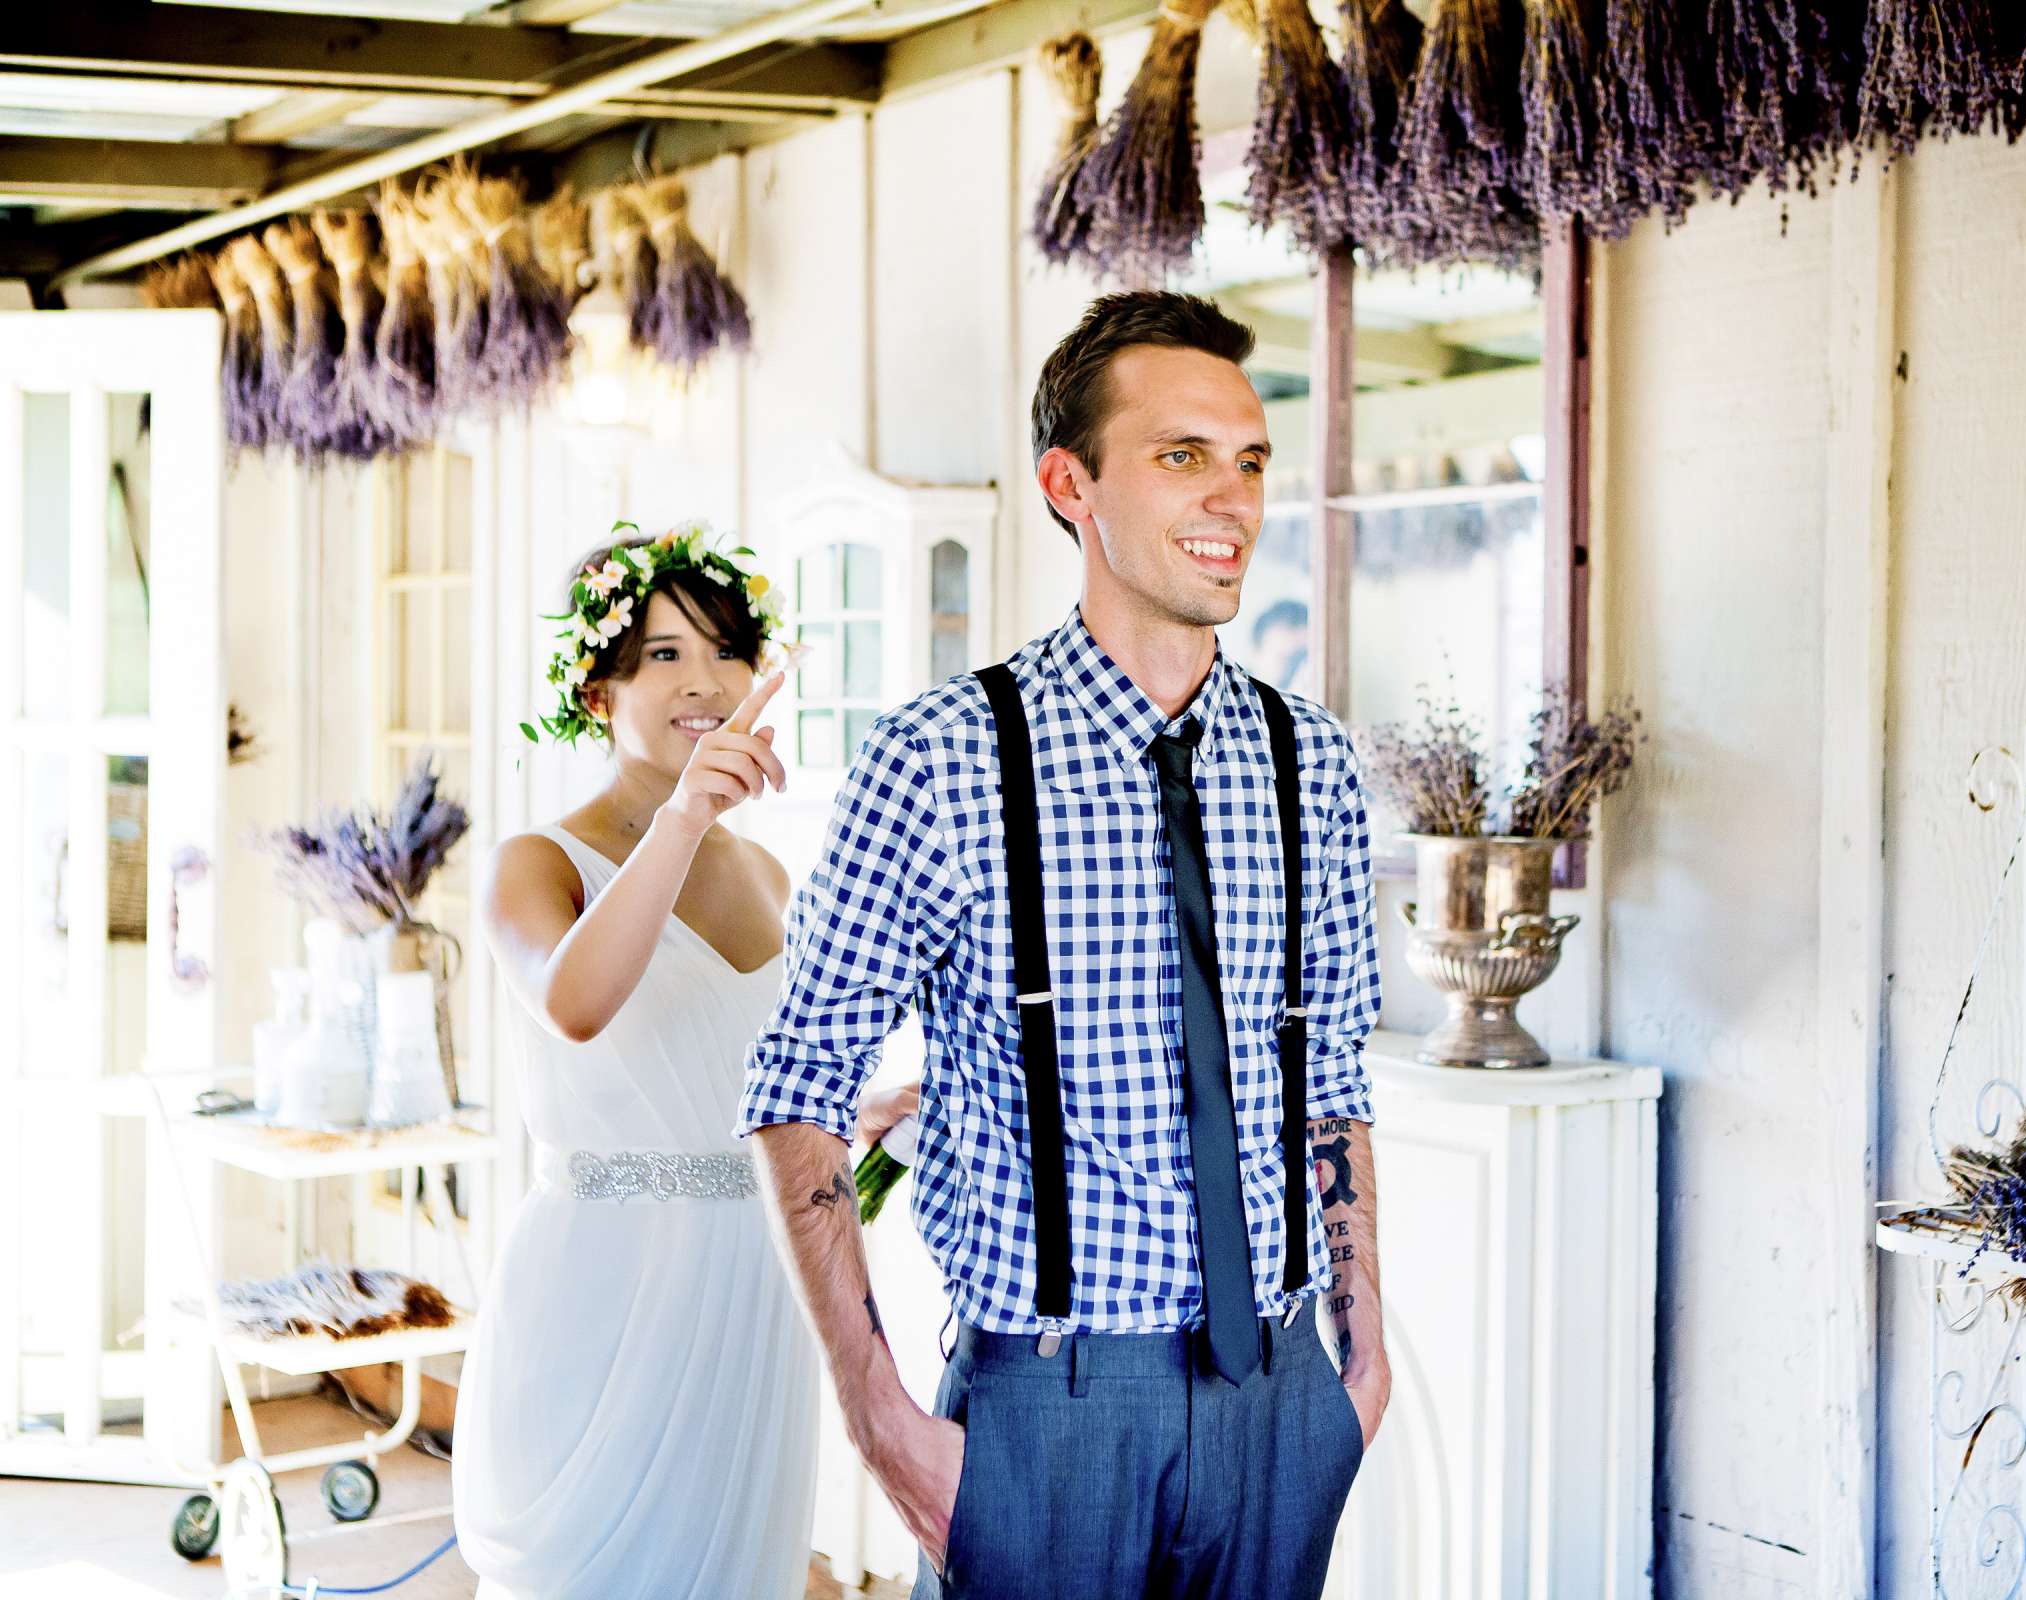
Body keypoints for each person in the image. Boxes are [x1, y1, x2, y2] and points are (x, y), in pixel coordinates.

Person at [742, 291, 1389, 1599]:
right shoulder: (944, 757)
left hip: (1279, 1401)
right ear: (1068, 482)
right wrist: (879, 1423)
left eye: (1252, 459)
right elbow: (797, 1094)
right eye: (1182, 456)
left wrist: (1362, 1366)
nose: (1234, 498)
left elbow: (1330, 1085)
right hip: (1051, 1409)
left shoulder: (1309, 761)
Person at [455, 525, 912, 1598]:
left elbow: (760, 1079)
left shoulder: (765, 871)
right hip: (606, 1280)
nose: (705, 681)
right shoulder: (533, 862)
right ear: (597, 688)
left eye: (726, 650)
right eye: (663, 654)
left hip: (756, 1287)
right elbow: (576, 1003)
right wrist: (681, 815)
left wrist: (863, 1113)